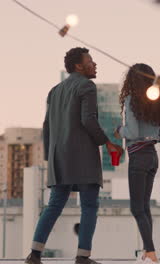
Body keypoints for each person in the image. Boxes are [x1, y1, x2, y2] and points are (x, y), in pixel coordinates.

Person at [25, 47, 123, 264]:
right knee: (89, 204)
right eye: (90, 60)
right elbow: (88, 120)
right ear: (79, 66)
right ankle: (83, 256)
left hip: (59, 156)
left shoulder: (54, 90)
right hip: (82, 156)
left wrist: (51, 156)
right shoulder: (86, 86)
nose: (95, 64)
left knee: (54, 204)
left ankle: (34, 253)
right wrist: (107, 143)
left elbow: (46, 126)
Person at [114, 63, 160, 264]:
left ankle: (152, 253)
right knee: (144, 208)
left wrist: (119, 130)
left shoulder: (131, 100)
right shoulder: (156, 101)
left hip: (138, 157)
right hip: (152, 156)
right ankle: (148, 252)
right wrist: (150, 135)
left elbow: (133, 133)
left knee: (137, 208)